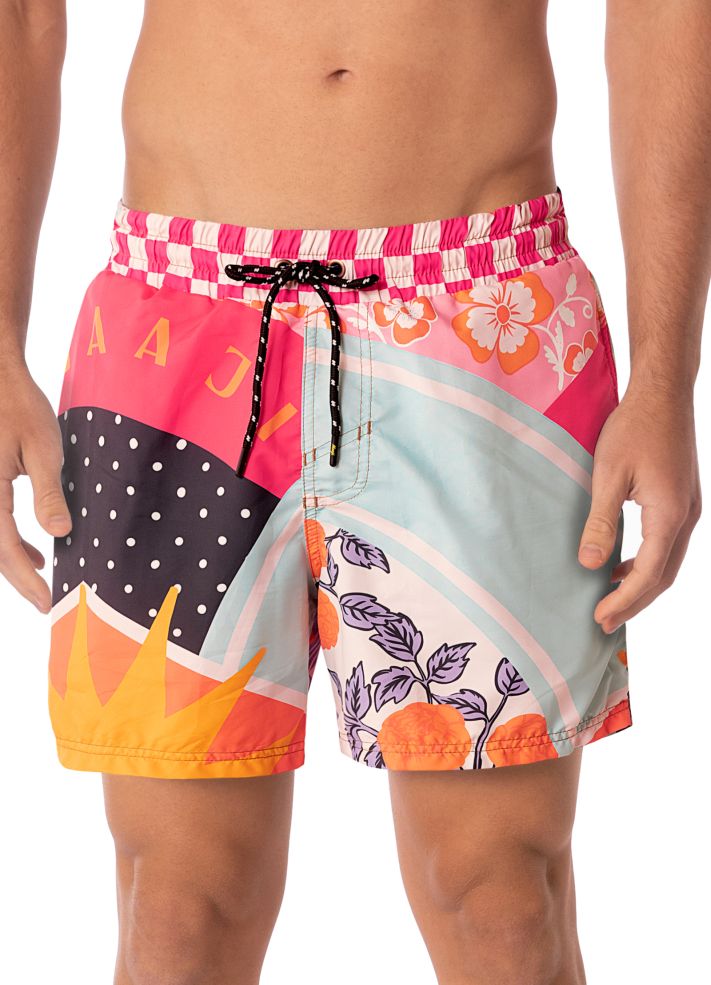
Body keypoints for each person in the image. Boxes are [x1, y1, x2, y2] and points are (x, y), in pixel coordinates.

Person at [1, 2, 708, 983]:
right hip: (175, 328)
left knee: (504, 906)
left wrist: (666, 382)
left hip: (486, 319)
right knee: (177, 913)